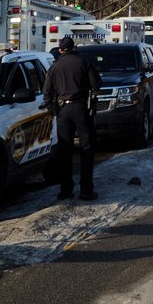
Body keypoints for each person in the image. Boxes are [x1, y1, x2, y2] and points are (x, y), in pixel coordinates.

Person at [42, 36, 101, 201]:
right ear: (74, 48)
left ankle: (66, 189)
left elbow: (47, 93)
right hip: (81, 109)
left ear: (60, 50)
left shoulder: (54, 68)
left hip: (63, 111)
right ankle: (86, 190)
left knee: (64, 151)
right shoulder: (84, 62)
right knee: (86, 149)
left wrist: (53, 109)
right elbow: (96, 85)